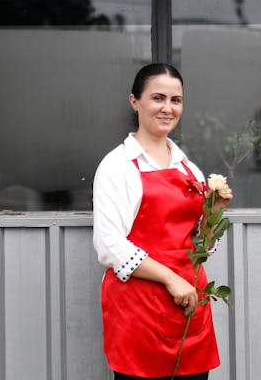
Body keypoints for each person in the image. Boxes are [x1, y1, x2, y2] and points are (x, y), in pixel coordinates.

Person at [92, 63, 232, 380]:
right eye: (158, 98)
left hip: (187, 304)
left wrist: (214, 214)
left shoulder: (190, 170)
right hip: (138, 307)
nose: (168, 108)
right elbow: (109, 246)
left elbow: (201, 248)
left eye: (176, 100)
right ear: (134, 102)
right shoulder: (117, 166)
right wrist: (171, 278)